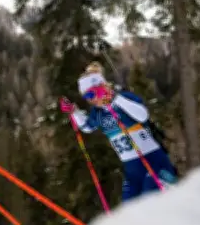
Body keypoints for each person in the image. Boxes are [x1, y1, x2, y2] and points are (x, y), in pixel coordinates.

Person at [59, 62, 179, 203]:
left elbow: (142, 115)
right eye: (87, 96)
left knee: (150, 201)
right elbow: (87, 127)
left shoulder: (124, 98)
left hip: (153, 163)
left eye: (93, 93)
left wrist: (115, 98)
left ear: (103, 87)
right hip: (132, 171)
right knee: (128, 211)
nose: (92, 99)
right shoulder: (98, 114)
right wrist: (74, 112)